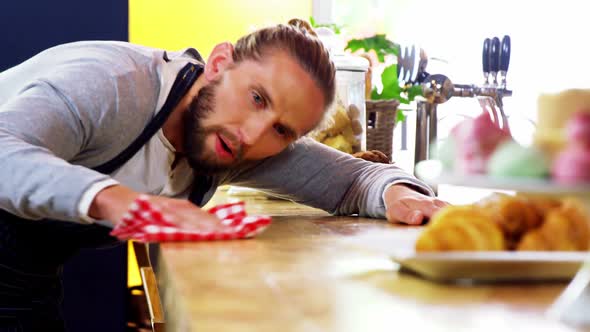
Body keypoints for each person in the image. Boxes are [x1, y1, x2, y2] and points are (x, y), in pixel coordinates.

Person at [0, 19, 445, 330]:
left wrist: (400, 193)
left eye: (282, 129)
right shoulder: (113, 85)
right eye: (256, 97)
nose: (253, 134)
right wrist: (122, 201)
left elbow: (351, 180)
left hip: (24, 274)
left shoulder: (236, 139)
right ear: (218, 65)